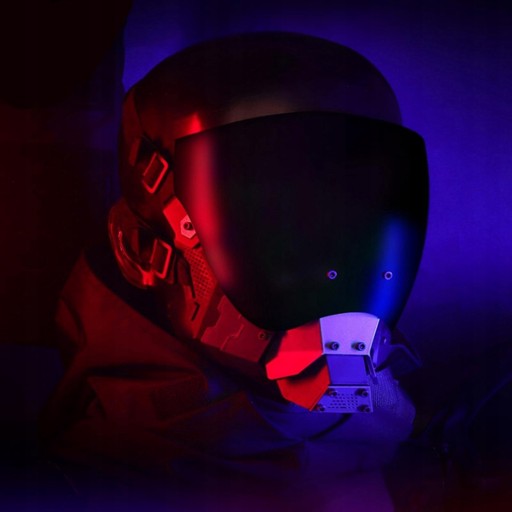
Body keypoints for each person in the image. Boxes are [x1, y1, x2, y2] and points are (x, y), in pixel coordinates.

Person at [41, 32, 429, 511]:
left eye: (353, 207)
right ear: (140, 251)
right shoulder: (75, 490)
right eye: (267, 216)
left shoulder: (410, 447)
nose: (329, 269)